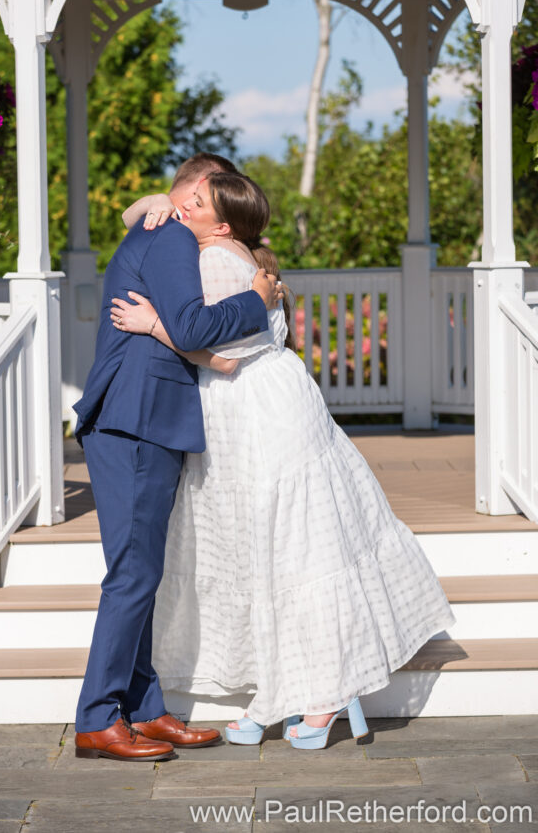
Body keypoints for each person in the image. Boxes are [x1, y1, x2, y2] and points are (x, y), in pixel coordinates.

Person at [110, 171, 456, 751]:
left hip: (257, 412)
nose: (183, 206)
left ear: (222, 225)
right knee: (282, 554)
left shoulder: (215, 260)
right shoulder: (248, 257)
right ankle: (300, 690)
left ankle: (321, 697)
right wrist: (158, 201)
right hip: (270, 401)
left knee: (286, 556)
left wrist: (154, 326)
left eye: (195, 202)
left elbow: (220, 356)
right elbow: (139, 220)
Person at [72, 154, 282, 762]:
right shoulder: (170, 237)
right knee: (133, 576)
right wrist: (256, 300)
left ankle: (144, 708)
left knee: (141, 573)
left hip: (146, 419)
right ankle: (97, 718)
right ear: (194, 189)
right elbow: (189, 328)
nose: (196, 207)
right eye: (203, 195)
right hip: (137, 420)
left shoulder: (162, 226)